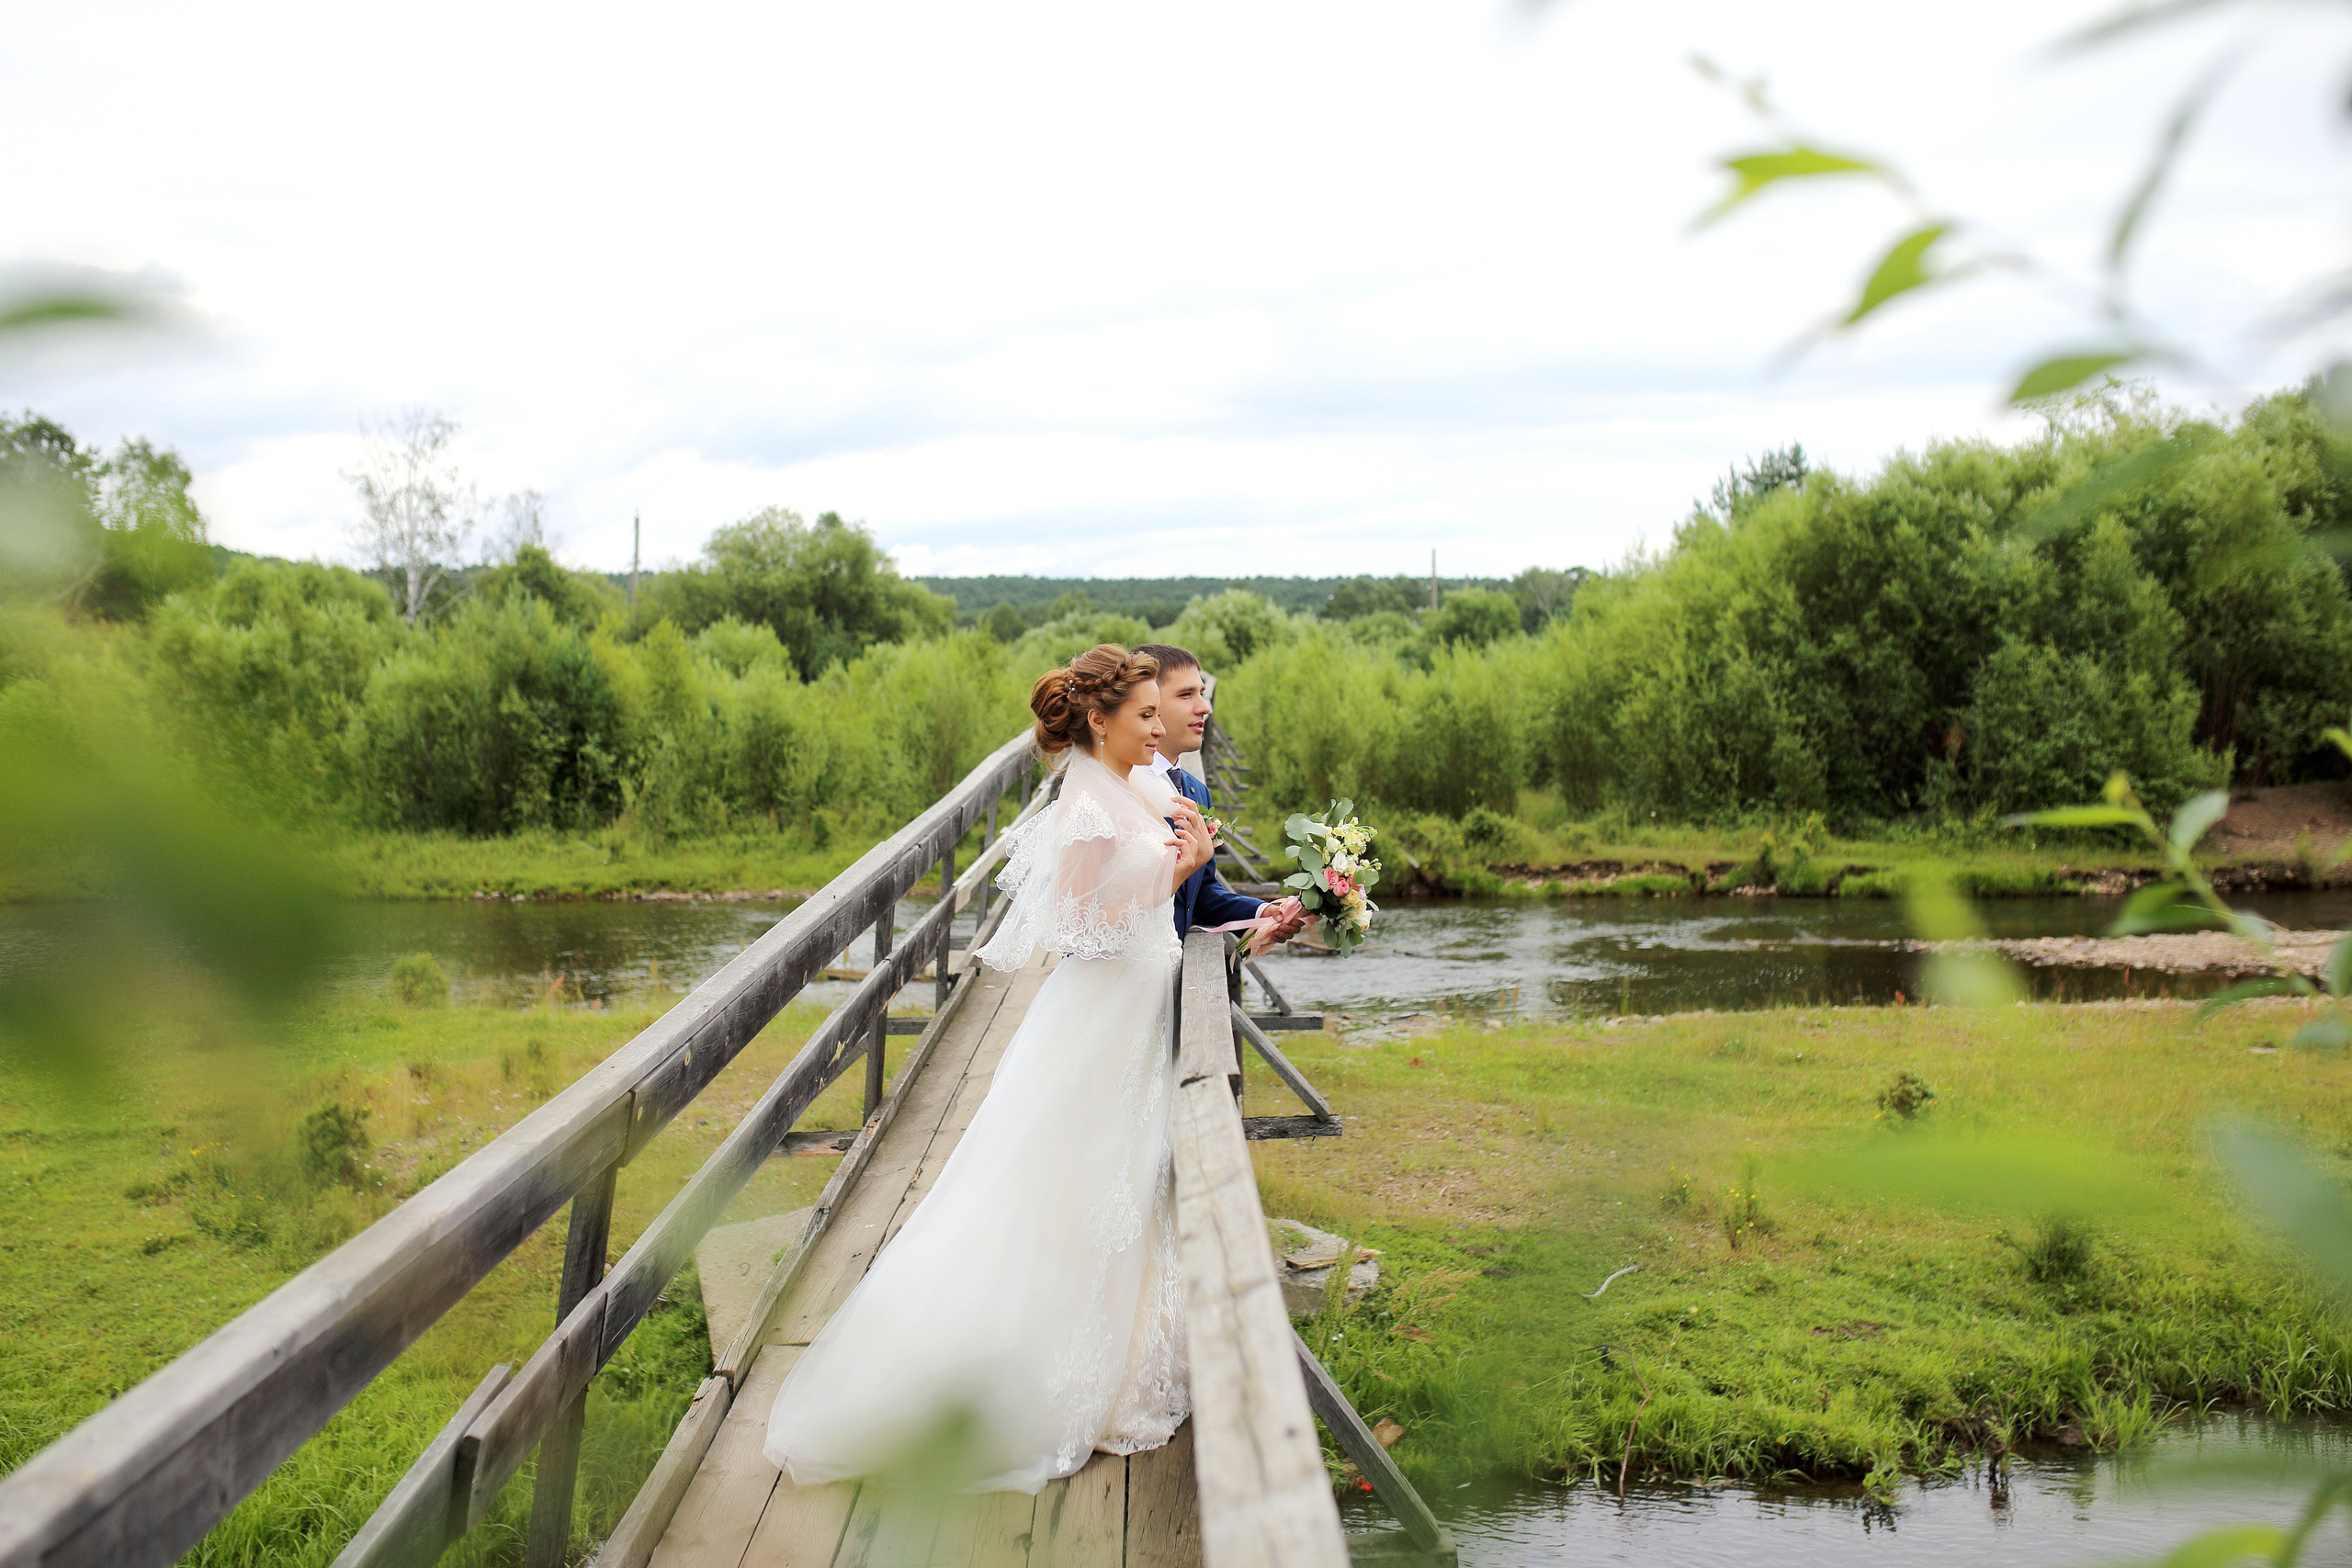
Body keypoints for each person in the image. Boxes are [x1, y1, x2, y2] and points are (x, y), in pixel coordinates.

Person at [763, 644, 1216, 1495]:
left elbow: (1148, 872)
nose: (1160, 727)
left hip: (1133, 1016)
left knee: (1121, 1185)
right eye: (1146, 713)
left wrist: (1189, 857)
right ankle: (1011, 1383)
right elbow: (1077, 930)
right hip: (1099, 1021)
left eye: (1164, 711)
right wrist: (1172, 872)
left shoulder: (1130, 785)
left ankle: (1118, 1368)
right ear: (1100, 719)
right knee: (1068, 1189)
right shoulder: (1086, 802)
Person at [1132, 642, 1306, 947]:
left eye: (1201, 693)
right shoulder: (1120, 788)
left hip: (1170, 968)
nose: (1205, 708)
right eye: (1186, 695)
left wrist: (1262, 913)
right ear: (1148, 703)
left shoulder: (1196, 790)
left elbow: (1199, 894)